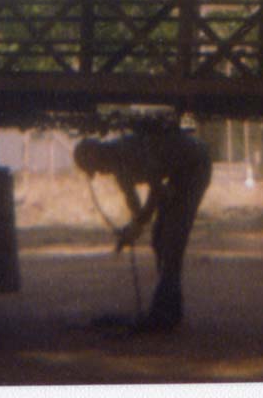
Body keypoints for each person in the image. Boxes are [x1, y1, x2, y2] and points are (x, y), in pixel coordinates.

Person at [74, 124, 212, 331]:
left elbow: (156, 192)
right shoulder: (118, 169)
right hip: (178, 172)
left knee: (172, 239)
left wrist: (136, 225)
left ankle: (166, 312)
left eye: (94, 168)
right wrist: (131, 231)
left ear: (96, 154)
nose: (98, 173)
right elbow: (137, 208)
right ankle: (167, 309)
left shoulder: (128, 151)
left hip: (195, 165)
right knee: (159, 239)